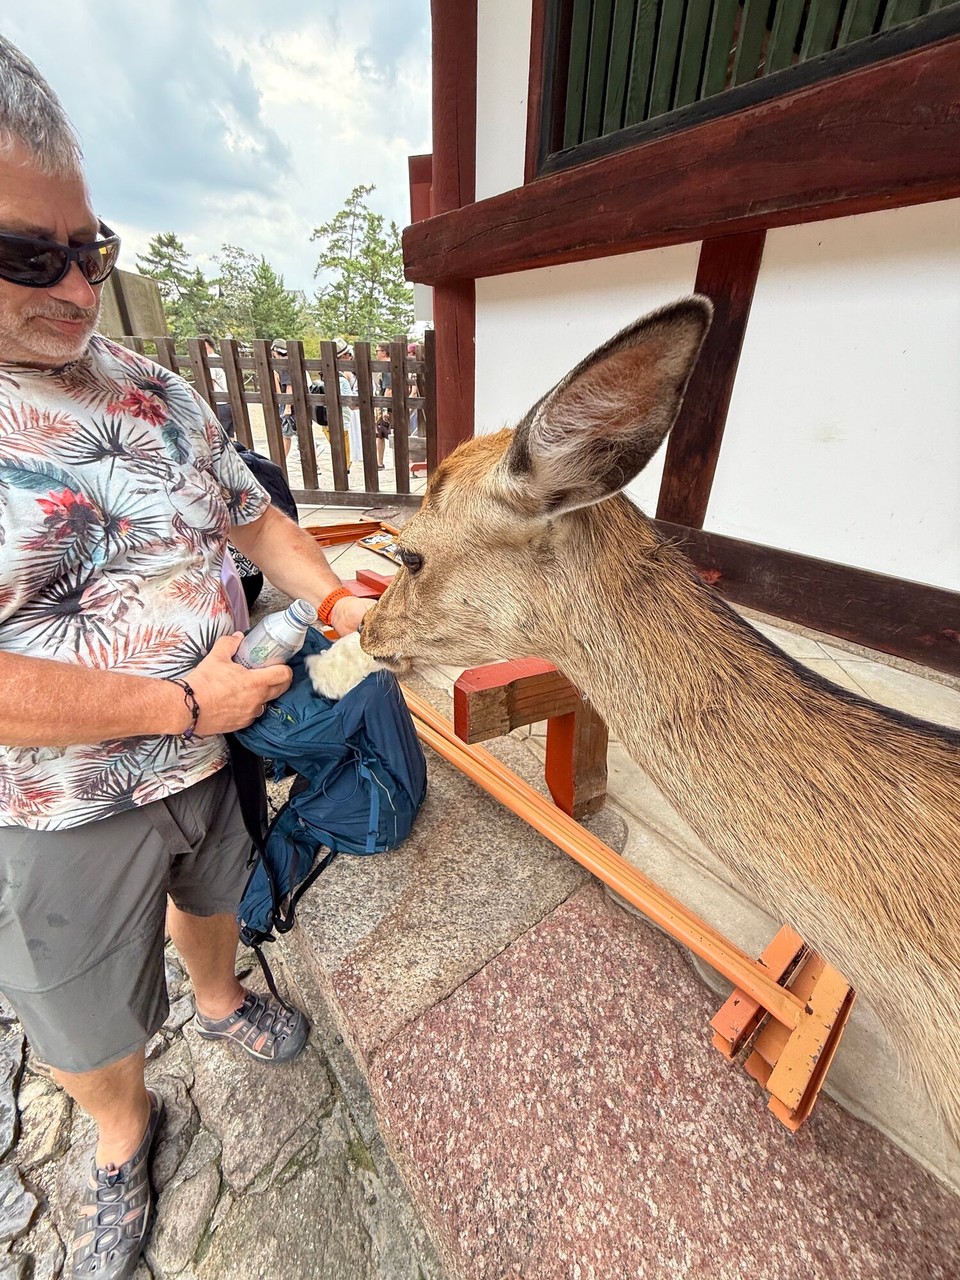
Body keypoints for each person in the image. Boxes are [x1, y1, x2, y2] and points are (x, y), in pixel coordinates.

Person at [0, 37, 373, 1280]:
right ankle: (121, 1132)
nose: (75, 287)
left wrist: (334, 592)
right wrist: (176, 698)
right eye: (29, 256)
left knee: (214, 890)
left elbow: (252, 515)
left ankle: (218, 1000)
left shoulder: (153, 389)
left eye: (90, 248)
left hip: (214, 742)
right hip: (59, 798)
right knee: (78, 1000)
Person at [200, 334, 233, 438]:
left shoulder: (211, 360)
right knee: (230, 436)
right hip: (227, 402)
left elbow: (211, 382)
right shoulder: (219, 358)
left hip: (219, 404)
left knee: (219, 436)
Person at [271, 338, 296, 457]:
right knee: (290, 435)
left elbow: (289, 386)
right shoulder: (290, 362)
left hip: (290, 404)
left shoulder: (284, 365)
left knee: (286, 435)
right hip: (293, 402)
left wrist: (287, 407)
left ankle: (282, 460)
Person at [374, 341, 392, 470]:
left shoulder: (387, 367)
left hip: (387, 405)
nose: (376, 354)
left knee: (380, 434)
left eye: (377, 351)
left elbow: (389, 389)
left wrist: (385, 408)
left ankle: (379, 462)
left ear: (384, 352)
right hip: (389, 404)